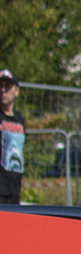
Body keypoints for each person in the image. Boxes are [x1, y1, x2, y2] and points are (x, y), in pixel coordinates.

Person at [0, 70, 22, 206]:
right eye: (0, 86)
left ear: (16, 91)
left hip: (14, 188)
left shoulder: (20, 120)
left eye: (7, 86)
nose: (3, 90)